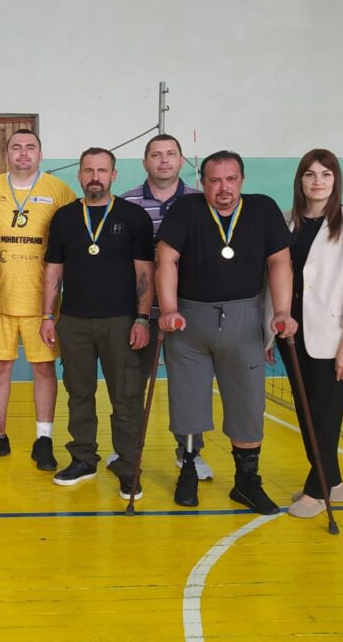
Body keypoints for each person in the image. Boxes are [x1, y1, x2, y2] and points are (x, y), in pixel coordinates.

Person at [156, 150, 296, 514]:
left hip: (244, 319)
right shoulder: (186, 210)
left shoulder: (263, 209)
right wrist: (168, 309)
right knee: (187, 399)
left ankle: (246, 481)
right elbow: (166, 260)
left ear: (242, 180)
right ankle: (188, 468)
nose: (224, 188)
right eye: (215, 180)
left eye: (231, 179)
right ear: (202, 183)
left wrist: (282, 312)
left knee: (248, 401)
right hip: (189, 321)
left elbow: (280, 262)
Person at [40, 147, 154, 499]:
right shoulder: (64, 218)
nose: (95, 177)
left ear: (113, 175)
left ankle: (127, 466)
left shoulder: (134, 217)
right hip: (73, 321)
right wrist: (47, 316)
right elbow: (54, 270)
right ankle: (83, 458)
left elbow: (144, 273)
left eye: (102, 170)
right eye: (88, 170)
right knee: (79, 393)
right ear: (79, 175)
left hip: (121, 321)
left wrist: (142, 318)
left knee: (126, 395)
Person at [264, 149, 343, 518]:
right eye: (310, 174)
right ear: (300, 180)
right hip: (290, 332)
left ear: (336, 180)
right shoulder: (285, 220)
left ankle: (318, 489)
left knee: (326, 415)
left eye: (326, 174)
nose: (318, 181)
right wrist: (269, 334)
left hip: (331, 335)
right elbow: (273, 277)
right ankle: (334, 482)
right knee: (306, 411)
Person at [0, 129, 75, 471]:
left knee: (43, 369)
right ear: (7, 155)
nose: (23, 153)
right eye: (16, 147)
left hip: (42, 304)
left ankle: (43, 439)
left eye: (30, 147)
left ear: (40, 154)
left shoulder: (59, 192)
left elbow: (71, 247)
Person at [119, 134, 213, 481]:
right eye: (156, 154)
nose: (163, 160)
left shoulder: (201, 202)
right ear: (144, 162)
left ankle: (189, 452)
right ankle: (126, 449)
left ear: (181, 160)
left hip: (188, 312)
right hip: (140, 313)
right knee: (131, 384)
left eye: (170, 154)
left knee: (190, 386)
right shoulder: (126, 203)